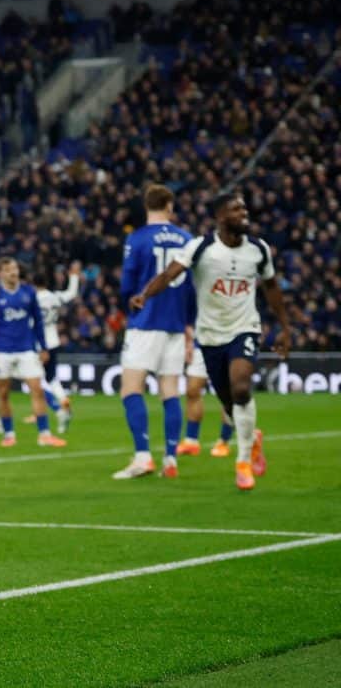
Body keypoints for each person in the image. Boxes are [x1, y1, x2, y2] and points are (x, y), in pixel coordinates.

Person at [131, 192, 291, 491]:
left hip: (244, 328)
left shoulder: (258, 249)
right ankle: (252, 436)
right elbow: (169, 275)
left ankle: (242, 463)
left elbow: (270, 287)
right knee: (230, 404)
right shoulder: (201, 247)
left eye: (245, 207)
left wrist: (284, 327)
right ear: (220, 216)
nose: (244, 213)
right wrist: (145, 295)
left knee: (241, 387)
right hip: (210, 335)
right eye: (236, 209)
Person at [114, 184, 192, 481]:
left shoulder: (138, 238)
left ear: (146, 206)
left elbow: (127, 285)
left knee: (131, 388)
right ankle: (171, 458)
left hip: (146, 321)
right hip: (175, 323)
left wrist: (130, 307)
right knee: (169, 390)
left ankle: (143, 456)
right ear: (169, 206)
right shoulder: (186, 239)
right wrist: (189, 323)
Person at [0, 257, 66, 449]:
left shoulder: (28, 292)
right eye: (8, 269)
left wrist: (43, 347)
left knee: (37, 389)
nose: (13, 272)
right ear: (1, 273)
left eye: (15, 268)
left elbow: (38, 321)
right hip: (2, 351)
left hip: (27, 349)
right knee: (3, 393)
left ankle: (44, 434)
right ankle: (9, 434)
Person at [31, 261, 81, 434]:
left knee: (34, 380)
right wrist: (74, 276)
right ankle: (63, 399)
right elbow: (72, 293)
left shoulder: (32, 299)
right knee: (51, 378)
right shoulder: (54, 297)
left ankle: (56, 408)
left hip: (38, 344)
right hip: (53, 341)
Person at [179, 336, 233, 458]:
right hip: (202, 342)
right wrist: (189, 342)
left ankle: (224, 441)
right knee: (192, 390)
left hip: (229, 341)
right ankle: (191, 440)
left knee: (227, 393)